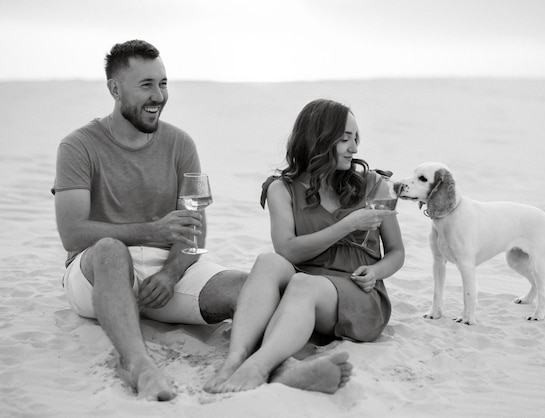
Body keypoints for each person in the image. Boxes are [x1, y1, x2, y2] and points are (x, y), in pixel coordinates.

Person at [52, 40, 247, 401]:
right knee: (111, 250)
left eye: (163, 83)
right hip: (97, 271)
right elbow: (72, 232)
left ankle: (266, 364)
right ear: (115, 88)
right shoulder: (77, 146)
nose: (158, 95)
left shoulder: (181, 144)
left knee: (246, 286)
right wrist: (151, 230)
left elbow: (194, 231)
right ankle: (138, 365)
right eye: (146, 85)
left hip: (166, 272)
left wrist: (172, 273)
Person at [204, 99, 405, 394]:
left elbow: (397, 252)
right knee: (268, 261)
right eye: (345, 139)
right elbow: (287, 251)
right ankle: (235, 359)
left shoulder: (376, 186)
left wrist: (376, 271)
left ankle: (258, 366)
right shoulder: (281, 189)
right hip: (304, 293)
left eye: (356, 139)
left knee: (302, 284)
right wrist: (348, 224)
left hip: (359, 295)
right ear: (319, 140)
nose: (354, 148)